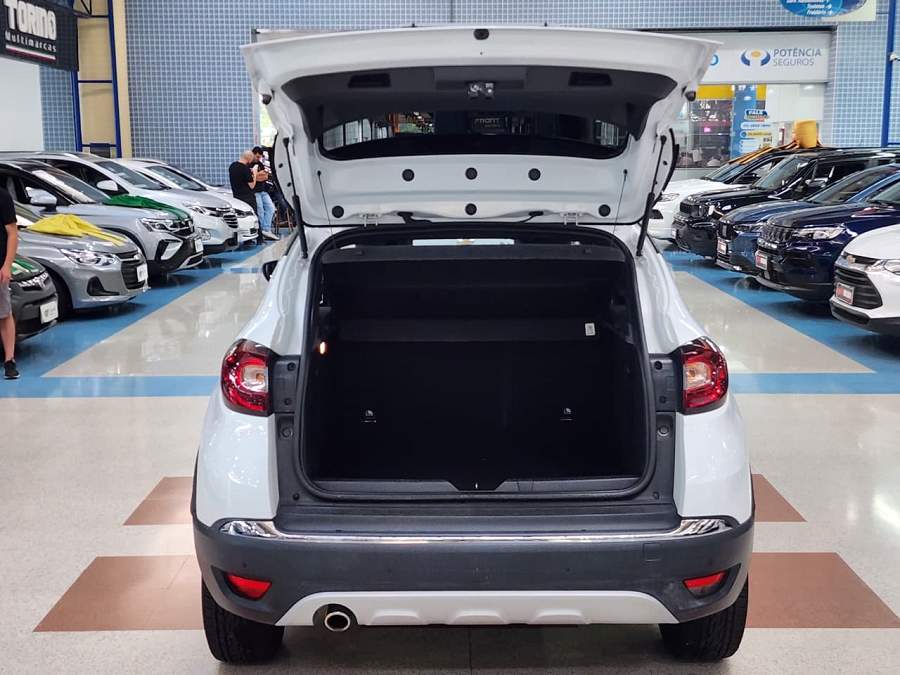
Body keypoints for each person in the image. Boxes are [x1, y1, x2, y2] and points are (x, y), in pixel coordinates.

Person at [1, 186, 19, 379]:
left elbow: (12, 234)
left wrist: (7, 265)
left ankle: (9, 360)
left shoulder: (3, 197)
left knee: (4, 313)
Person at [252, 146, 278, 241]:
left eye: (260, 157)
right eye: (257, 156)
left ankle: (266, 229)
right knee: (260, 212)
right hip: (255, 192)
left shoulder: (260, 164)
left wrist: (257, 175)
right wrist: (258, 176)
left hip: (263, 191)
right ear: (253, 154)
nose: (258, 158)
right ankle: (262, 231)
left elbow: (265, 177)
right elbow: (252, 178)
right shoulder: (249, 164)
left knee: (271, 208)